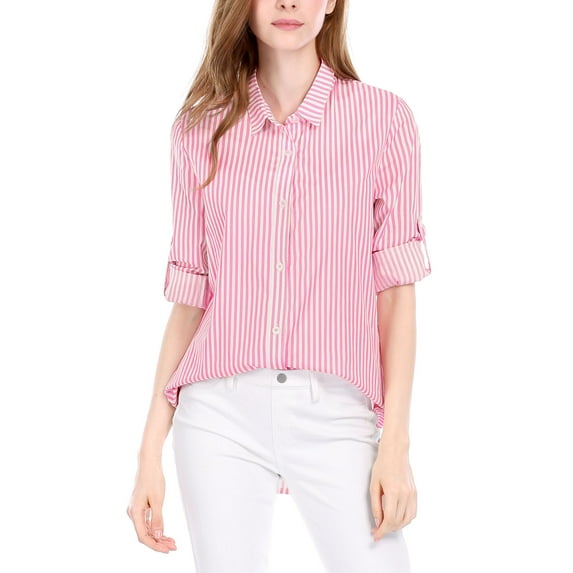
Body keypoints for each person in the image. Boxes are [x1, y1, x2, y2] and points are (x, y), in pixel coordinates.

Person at [126, 1, 432, 571]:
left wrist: (396, 445)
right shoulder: (198, 130)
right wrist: (149, 453)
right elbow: (190, 300)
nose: (288, 2)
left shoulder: (383, 120)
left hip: (336, 410)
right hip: (216, 413)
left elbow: (395, 293)